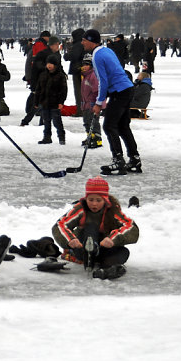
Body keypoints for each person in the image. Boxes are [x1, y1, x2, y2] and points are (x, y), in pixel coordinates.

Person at [52, 176, 139, 279]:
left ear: (105, 200)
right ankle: (90, 252)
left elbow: (131, 227)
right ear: (86, 198)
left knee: (123, 252)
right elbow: (60, 225)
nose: (94, 204)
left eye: (98, 200)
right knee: (91, 227)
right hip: (82, 247)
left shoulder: (112, 210)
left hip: (103, 248)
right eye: (91, 200)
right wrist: (70, 240)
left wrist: (112, 239)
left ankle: (107, 269)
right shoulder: (81, 208)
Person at [83, 29, 140, 175]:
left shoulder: (97, 56)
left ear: (91, 41)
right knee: (122, 126)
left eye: (84, 40)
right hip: (127, 88)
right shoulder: (106, 51)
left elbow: (103, 80)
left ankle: (118, 160)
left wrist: (98, 102)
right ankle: (134, 159)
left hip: (120, 91)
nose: (82, 43)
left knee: (109, 126)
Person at [34, 52, 67, 145]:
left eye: (51, 64)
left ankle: (61, 137)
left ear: (55, 65)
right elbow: (38, 89)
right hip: (45, 102)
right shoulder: (43, 75)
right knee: (46, 122)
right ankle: (47, 137)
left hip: (55, 103)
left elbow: (63, 90)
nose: (49, 66)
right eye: (48, 63)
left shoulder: (60, 76)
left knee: (57, 122)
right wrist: (36, 101)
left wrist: (61, 102)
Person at [79, 52, 102, 148]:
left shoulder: (93, 75)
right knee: (86, 121)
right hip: (86, 103)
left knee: (93, 121)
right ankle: (90, 136)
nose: (84, 67)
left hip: (92, 103)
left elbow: (96, 90)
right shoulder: (85, 76)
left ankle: (97, 139)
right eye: (83, 65)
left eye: (87, 65)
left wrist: (96, 103)